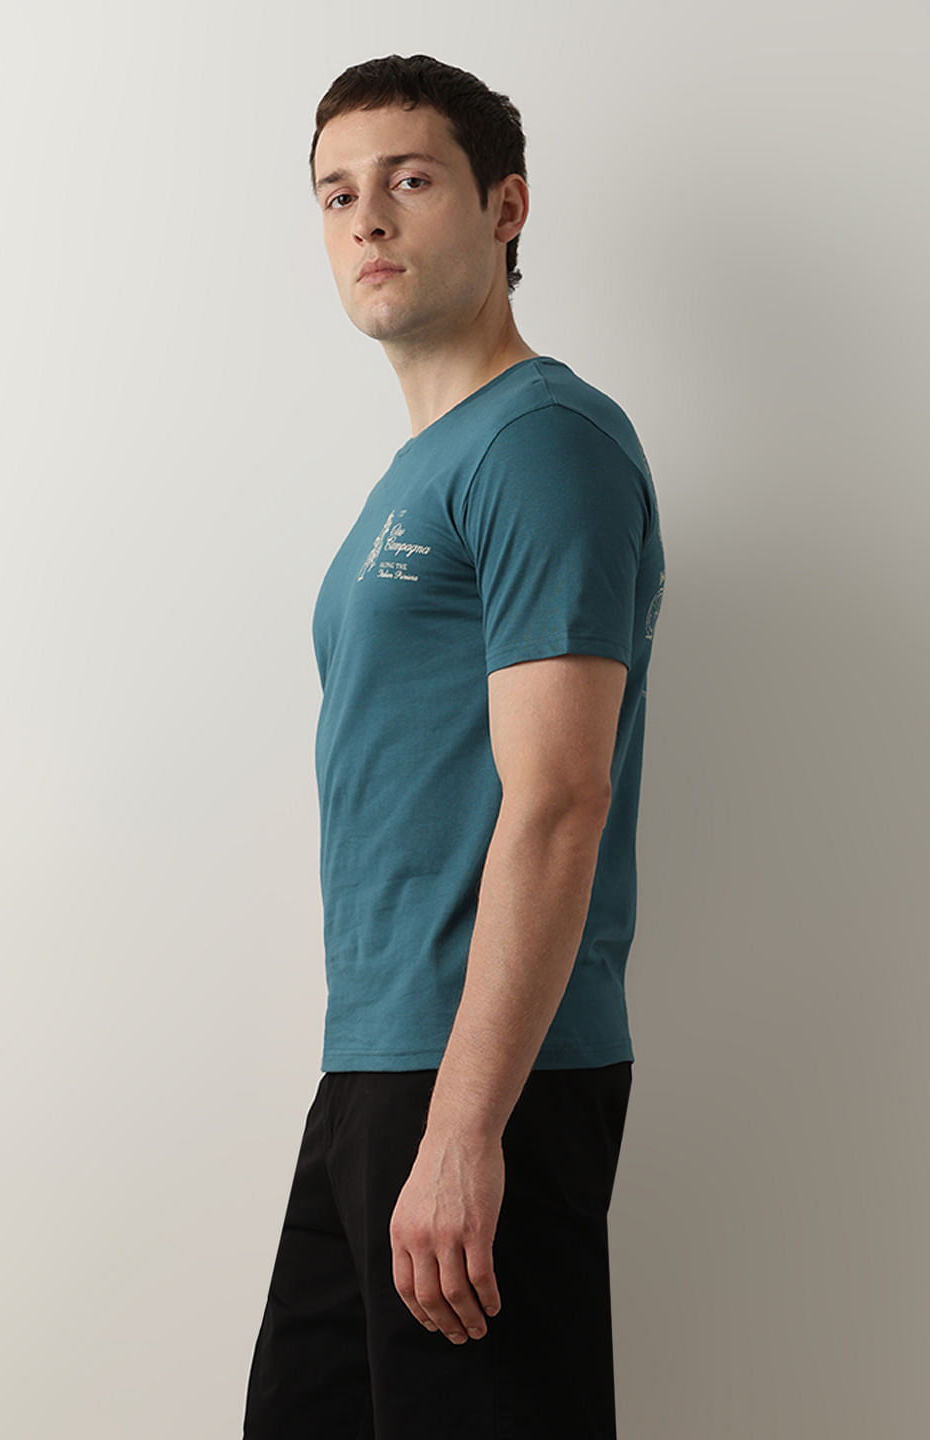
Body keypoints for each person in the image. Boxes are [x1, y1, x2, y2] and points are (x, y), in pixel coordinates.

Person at [241, 52, 665, 1440]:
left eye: (410, 179)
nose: (367, 217)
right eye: (336, 194)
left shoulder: (543, 444)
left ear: (505, 207)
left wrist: (468, 1128)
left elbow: (559, 799)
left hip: (484, 1079)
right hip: (381, 1060)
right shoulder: (415, 474)